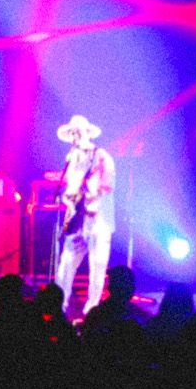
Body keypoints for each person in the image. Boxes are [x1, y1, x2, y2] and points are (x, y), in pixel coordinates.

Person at [53, 114, 117, 320]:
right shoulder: (72, 159)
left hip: (98, 220)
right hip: (76, 219)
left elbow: (108, 184)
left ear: (88, 133)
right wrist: (68, 198)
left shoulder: (102, 156)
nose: (75, 135)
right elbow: (70, 187)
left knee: (97, 265)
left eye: (78, 131)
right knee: (66, 262)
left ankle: (92, 311)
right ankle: (59, 305)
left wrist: (91, 194)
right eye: (72, 132)